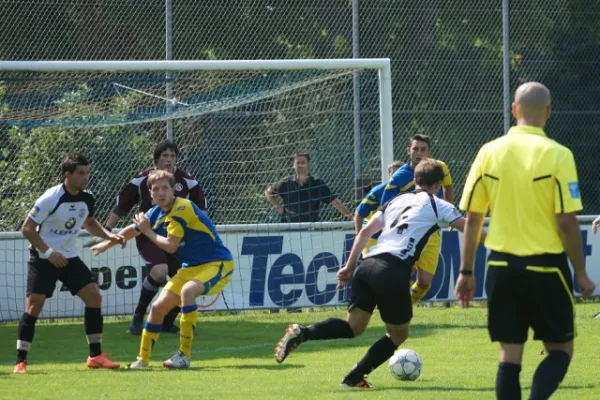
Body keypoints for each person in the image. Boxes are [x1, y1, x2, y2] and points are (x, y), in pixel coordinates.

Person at [274, 159, 481, 388]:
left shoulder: (396, 200)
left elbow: (364, 232)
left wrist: (349, 266)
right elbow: (469, 228)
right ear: (439, 183)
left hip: (367, 264)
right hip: (392, 271)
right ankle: (354, 377)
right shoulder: (438, 204)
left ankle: (303, 332)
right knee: (398, 335)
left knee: (354, 327)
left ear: (415, 180)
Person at [455, 81, 596, 400]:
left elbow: (473, 219)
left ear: (513, 110)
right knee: (560, 349)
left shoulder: (488, 152)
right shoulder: (559, 155)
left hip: (501, 266)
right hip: (546, 266)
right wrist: (581, 271)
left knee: (509, 356)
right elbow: (566, 220)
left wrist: (466, 272)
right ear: (548, 112)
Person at [91, 170, 234, 369]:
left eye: (165, 188)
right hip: (190, 268)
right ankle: (143, 360)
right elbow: (134, 230)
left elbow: (170, 246)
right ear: (150, 194)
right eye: (155, 189)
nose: (161, 193)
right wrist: (109, 243)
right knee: (158, 308)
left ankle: (184, 355)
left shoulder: (182, 207)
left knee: (187, 291)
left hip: (217, 263)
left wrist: (147, 231)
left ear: (173, 190)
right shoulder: (155, 212)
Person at [14, 153, 124, 374]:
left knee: (94, 296)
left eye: (87, 173)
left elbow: (89, 222)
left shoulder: (87, 197)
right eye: (81, 173)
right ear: (68, 175)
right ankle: (20, 361)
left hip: (69, 258)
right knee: (34, 305)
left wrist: (108, 236)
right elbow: (27, 229)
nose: (86, 177)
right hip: (43, 257)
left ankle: (95, 356)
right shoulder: (50, 198)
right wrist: (49, 252)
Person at [104, 140, 207, 335]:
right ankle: (138, 316)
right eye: (165, 156)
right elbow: (122, 204)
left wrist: (203, 235)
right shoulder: (143, 179)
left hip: (175, 237)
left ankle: (167, 322)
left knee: (188, 282)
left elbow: (201, 208)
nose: (169, 160)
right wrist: (107, 229)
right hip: (147, 234)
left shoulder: (186, 179)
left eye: (172, 156)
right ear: (157, 158)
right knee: (160, 272)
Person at [379, 134, 454, 303]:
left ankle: (404, 306)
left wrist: (450, 211)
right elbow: (386, 204)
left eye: (423, 149)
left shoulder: (440, 167)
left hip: (432, 232)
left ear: (429, 151)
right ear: (408, 151)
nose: (419, 153)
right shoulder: (399, 177)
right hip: (408, 233)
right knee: (404, 273)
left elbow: (448, 185)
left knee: (424, 283)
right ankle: (396, 310)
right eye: (415, 149)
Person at [266, 153, 353, 222]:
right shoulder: (285, 182)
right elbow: (269, 192)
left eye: (303, 162)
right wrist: (278, 208)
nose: (300, 165)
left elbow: (335, 202)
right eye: (297, 163)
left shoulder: (317, 183)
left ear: (308, 164)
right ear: (293, 165)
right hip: (288, 228)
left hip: (310, 229)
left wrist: (352, 218)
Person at [354, 160, 404, 254]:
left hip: (396, 239)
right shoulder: (379, 191)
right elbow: (359, 213)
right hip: (373, 239)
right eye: (393, 173)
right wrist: (359, 237)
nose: (396, 177)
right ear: (389, 174)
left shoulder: (409, 191)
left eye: (399, 174)